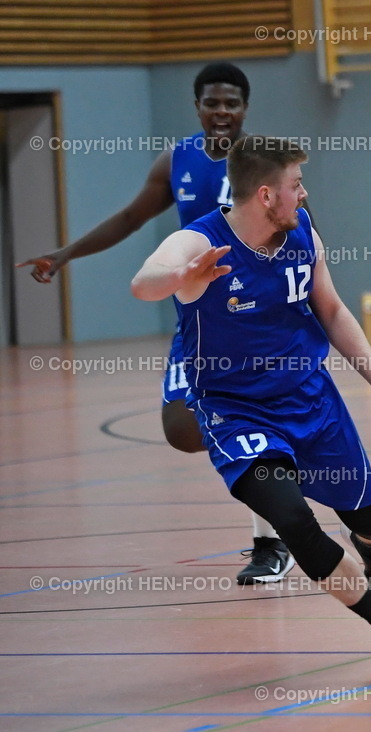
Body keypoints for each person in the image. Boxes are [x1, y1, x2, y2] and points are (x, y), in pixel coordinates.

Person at [130, 136, 371, 686]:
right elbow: (143, 280)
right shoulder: (197, 242)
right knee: (292, 521)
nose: (304, 193)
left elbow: (331, 309)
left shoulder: (301, 230)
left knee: (370, 520)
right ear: (267, 195)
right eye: (296, 185)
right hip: (234, 412)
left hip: (311, 400)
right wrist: (178, 278)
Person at [17, 63, 295, 584]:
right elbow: (129, 218)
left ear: (244, 109)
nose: (221, 112)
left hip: (257, 323)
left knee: (246, 423)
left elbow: (300, 229)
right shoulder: (179, 160)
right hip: (199, 324)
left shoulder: (265, 161)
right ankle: (278, 481)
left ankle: (270, 539)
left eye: (231, 103)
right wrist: (65, 253)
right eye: (212, 102)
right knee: (182, 430)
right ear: (197, 107)